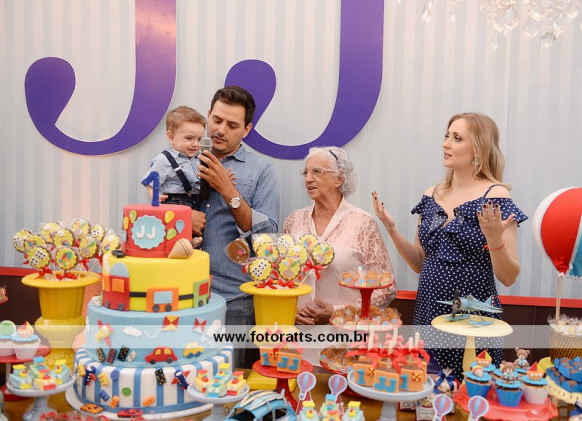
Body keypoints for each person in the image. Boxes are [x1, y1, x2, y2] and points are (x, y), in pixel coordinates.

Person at [373, 112, 527, 378]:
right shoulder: (431, 195)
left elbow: (509, 276)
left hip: (472, 317)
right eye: (446, 136)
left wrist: (494, 240)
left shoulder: (495, 196)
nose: (446, 144)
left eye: (457, 138)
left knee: (470, 388)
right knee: (426, 387)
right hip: (428, 310)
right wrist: (392, 229)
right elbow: (419, 263)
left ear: (478, 148)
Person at [195, 86, 280, 368]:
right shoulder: (182, 158)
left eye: (232, 125)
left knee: (228, 381)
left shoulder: (261, 171)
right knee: (182, 376)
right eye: (216, 120)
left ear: (246, 129)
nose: (221, 130)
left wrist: (228, 190)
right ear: (208, 114)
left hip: (233, 299)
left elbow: (266, 238)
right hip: (181, 294)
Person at [283, 146, 397, 326]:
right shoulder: (293, 220)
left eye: (316, 171)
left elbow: (386, 289)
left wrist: (339, 311)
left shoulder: (363, 223)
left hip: (344, 334)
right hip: (296, 332)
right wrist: (288, 309)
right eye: (305, 172)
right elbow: (281, 277)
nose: (308, 179)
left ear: (339, 179)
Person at [141, 106, 205, 210]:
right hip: (175, 203)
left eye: (199, 139)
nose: (195, 144)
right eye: (189, 138)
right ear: (171, 137)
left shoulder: (200, 158)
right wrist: (155, 196)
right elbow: (149, 183)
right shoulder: (164, 160)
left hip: (198, 203)